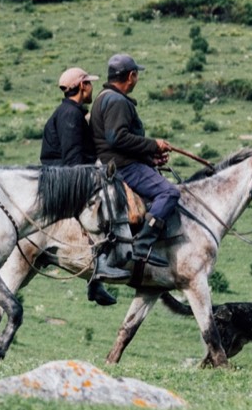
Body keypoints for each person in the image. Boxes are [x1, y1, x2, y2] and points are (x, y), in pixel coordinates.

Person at [89, 53, 179, 281]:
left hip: (119, 163)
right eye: (136, 75)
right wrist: (153, 144)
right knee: (169, 192)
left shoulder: (103, 97)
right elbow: (117, 138)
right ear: (131, 76)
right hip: (124, 167)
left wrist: (151, 158)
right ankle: (143, 244)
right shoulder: (117, 101)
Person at [40, 67, 116, 306]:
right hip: (65, 178)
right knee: (107, 209)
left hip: (63, 174)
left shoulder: (72, 112)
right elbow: (73, 161)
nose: (92, 87)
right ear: (82, 86)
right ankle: (99, 269)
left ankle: (96, 278)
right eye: (89, 83)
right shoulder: (70, 116)